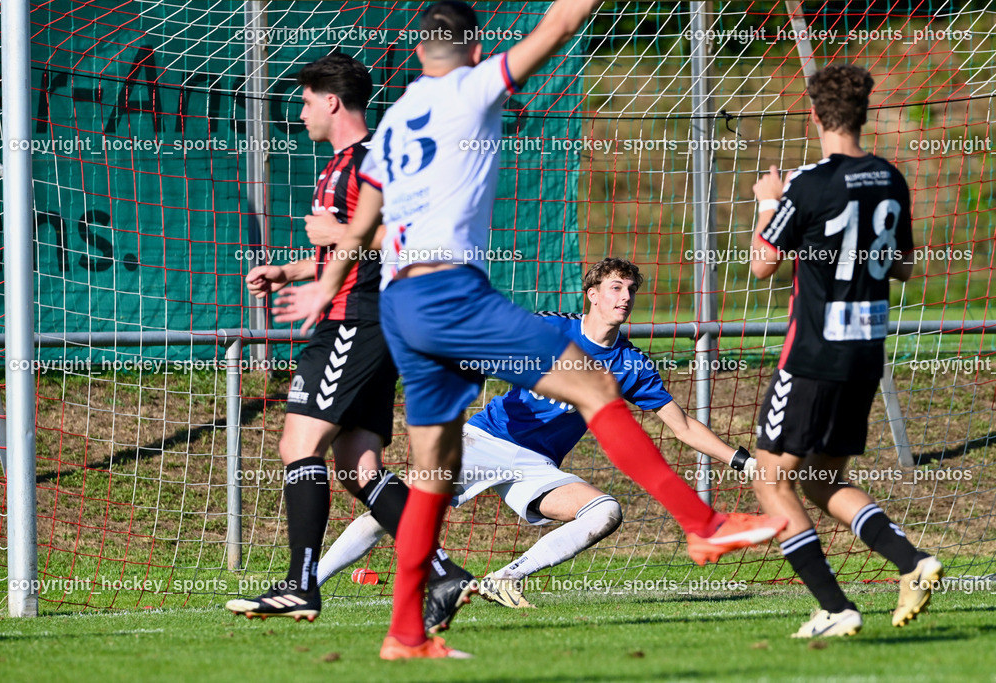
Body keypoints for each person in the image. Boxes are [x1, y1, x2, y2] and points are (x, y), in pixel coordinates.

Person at [274, 1, 787, 659]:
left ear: (419, 47)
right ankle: (703, 522)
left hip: (399, 308)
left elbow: (365, 216)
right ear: (472, 46)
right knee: (598, 385)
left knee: (433, 469)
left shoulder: (397, 117)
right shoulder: (472, 85)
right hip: (449, 293)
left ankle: (405, 632)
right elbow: (561, 24)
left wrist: (320, 283)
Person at [311, 258, 759, 609]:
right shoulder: (551, 327)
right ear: (592, 296)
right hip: (484, 442)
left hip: (537, 467)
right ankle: (307, 583)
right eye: (615, 288)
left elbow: (681, 428)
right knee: (396, 509)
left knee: (605, 512)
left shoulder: (631, 364)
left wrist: (744, 461)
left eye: (630, 290)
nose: (624, 298)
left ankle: (505, 577)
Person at [225, 52, 471, 623]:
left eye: (307, 100)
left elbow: (413, 242)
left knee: (297, 447)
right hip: (363, 319)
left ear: (331, 101)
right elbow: (346, 250)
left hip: (356, 320)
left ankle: (300, 586)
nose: (302, 111)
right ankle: (443, 575)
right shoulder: (338, 164)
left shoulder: (369, 161)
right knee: (359, 468)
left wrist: (336, 234)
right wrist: (291, 270)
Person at [750, 63, 940, 638]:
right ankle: (913, 562)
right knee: (821, 478)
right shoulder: (890, 178)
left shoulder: (808, 183)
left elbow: (761, 265)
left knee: (767, 473)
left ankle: (835, 605)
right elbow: (904, 266)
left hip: (813, 352)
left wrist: (767, 201)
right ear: (864, 114)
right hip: (866, 353)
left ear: (813, 115)